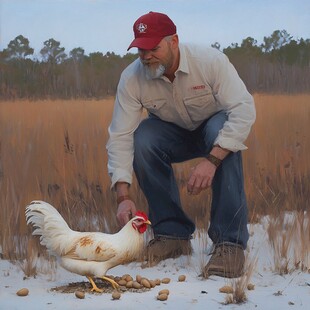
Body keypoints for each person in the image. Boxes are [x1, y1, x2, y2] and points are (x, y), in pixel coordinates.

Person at [106, 11, 256, 278]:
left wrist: (212, 161)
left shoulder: (209, 61)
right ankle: (172, 235)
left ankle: (230, 244)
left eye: (154, 47)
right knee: (143, 138)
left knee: (225, 132)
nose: (146, 55)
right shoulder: (131, 79)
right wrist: (123, 196)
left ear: (174, 41)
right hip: (172, 135)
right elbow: (120, 135)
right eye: (141, 48)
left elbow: (243, 110)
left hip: (214, 131)